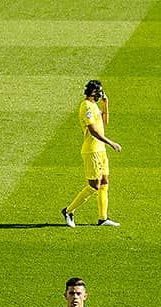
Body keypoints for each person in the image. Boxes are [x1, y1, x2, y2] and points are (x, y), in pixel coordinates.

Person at [62, 79, 121, 227]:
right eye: (99, 92)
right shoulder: (86, 106)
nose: (100, 94)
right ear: (92, 92)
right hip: (92, 150)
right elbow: (93, 131)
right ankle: (68, 211)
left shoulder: (94, 105)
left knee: (104, 183)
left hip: (100, 150)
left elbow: (104, 122)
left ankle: (103, 218)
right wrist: (111, 142)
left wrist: (105, 104)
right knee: (94, 185)